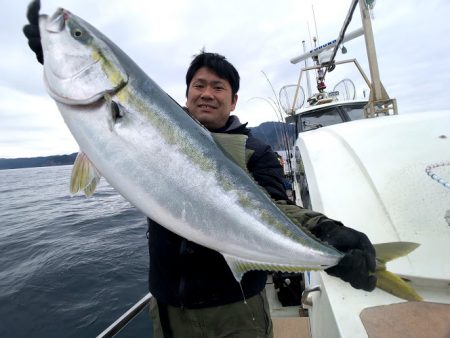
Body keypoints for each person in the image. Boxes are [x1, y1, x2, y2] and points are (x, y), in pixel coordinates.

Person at [23, 4, 377, 337]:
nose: (207, 93)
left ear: (233, 99)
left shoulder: (255, 150)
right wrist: (57, 56)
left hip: (235, 311)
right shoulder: (156, 132)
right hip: (167, 308)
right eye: (199, 85)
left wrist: (326, 230)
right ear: (187, 93)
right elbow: (128, 121)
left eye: (218, 87)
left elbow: (276, 206)